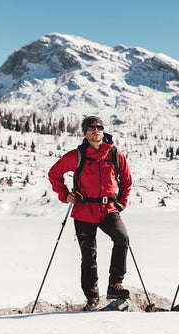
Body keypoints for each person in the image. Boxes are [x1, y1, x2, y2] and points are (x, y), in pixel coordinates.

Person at [48, 116, 133, 311]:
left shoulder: (114, 154)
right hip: (84, 211)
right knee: (88, 255)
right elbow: (54, 173)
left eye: (99, 127)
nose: (96, 130)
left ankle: (115, 285)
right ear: (85, 133)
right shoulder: (77, 155)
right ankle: (92, 297)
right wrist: (64, 195)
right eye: (91, 128)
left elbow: (126, 181)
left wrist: (121, 203)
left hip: (108, 209)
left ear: (103, 131)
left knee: (122, 238)